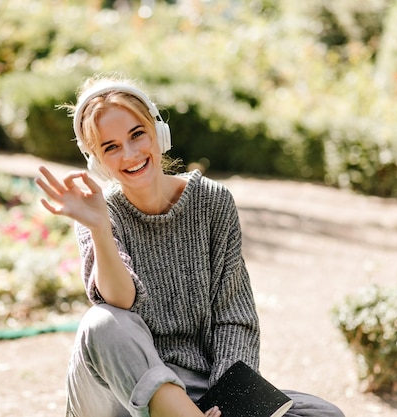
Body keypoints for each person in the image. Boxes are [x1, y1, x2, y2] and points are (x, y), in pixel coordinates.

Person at [35, 73, 345, 417]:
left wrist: (227, 406)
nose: (130, 153)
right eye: (111, 147)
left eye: (137, 134)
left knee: (323, 414)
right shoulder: (97, 213)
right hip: (119, 393)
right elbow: (120, 303)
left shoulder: (212, 202)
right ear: (97, 161)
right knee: (102, 322)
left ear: (158, 131)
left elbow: (234, 318)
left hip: (197, 393)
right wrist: (99, 228)